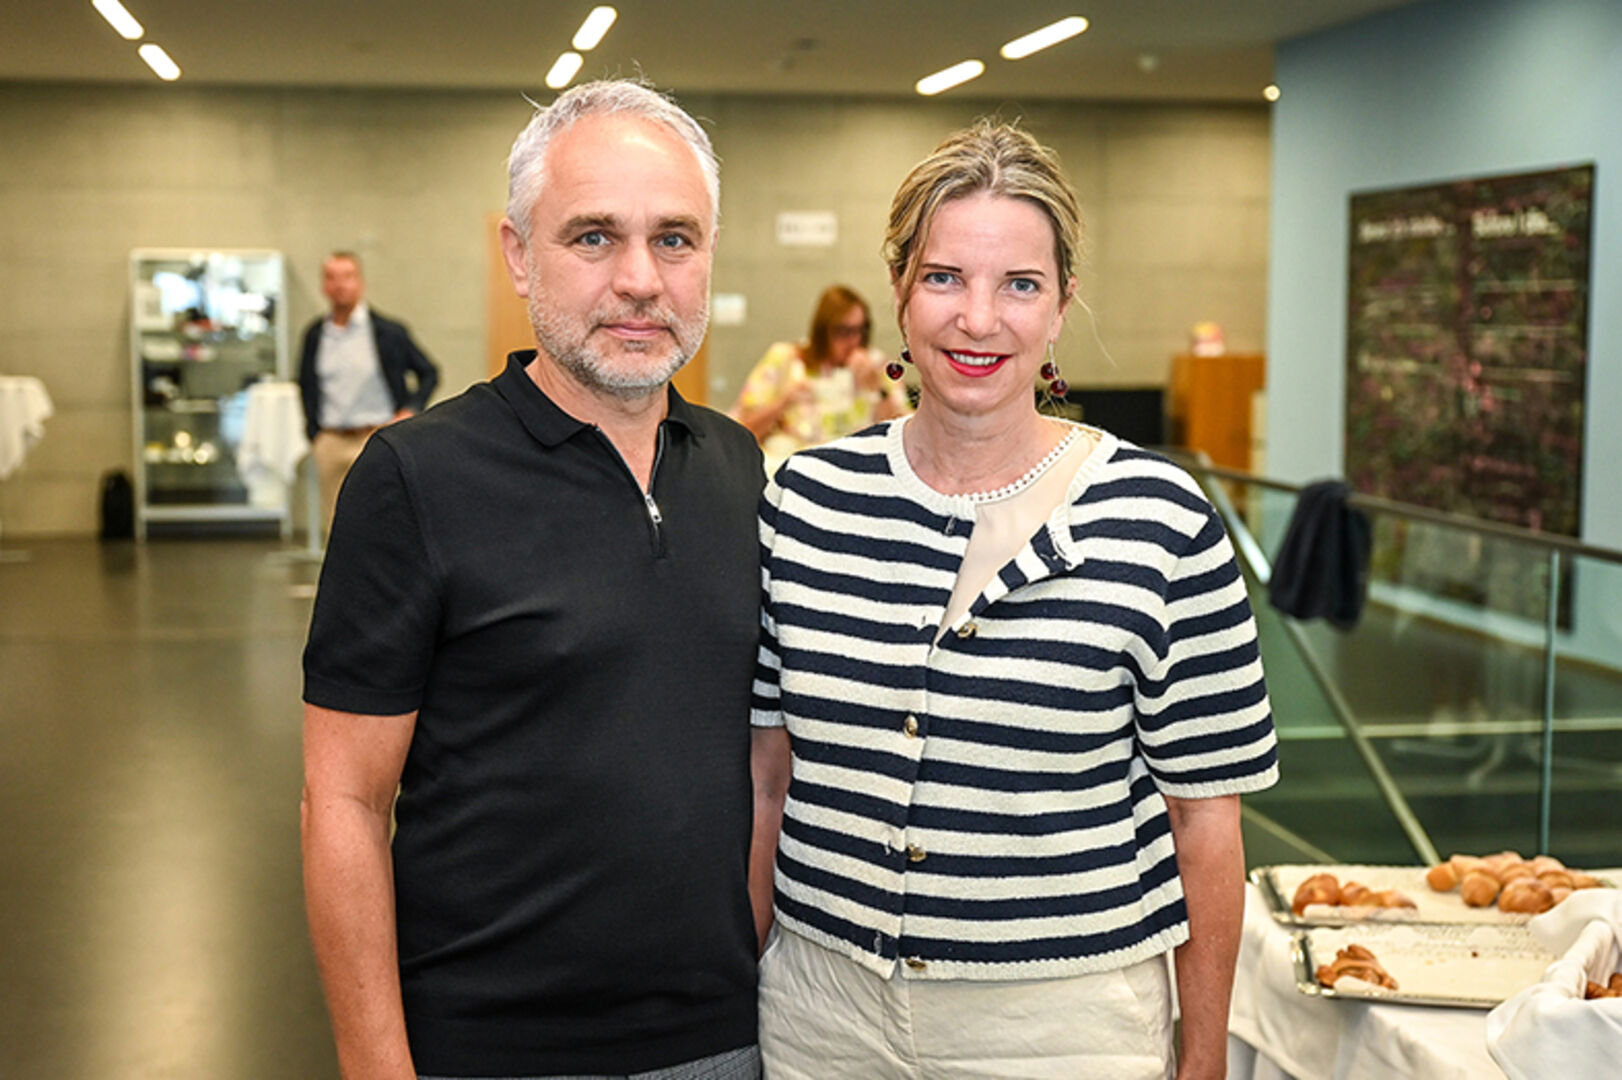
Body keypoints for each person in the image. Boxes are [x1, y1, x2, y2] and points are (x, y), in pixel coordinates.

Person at [749, 120, 1279, 1080]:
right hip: (819, 1017)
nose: (978, 319)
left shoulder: (1159, 519)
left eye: (1020, 285)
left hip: (1063, 1026)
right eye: (944, 277)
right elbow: (768, 781)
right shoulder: (806, 502)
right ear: (899, 290)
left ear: (1064, 303)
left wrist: (1203, 1059)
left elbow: (1204, 821)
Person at [300, 80, 766, 1080]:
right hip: (492, 1046)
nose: (640, 280)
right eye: (594, 237)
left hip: (722, 1043)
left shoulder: (737, 467)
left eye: (674, 239)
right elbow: (342, 802)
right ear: (518, 255)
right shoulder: (416, 477)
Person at [297, 251, 439, 537]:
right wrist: (315, 433)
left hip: (375, 436)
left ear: (360, 283)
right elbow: (305, 384)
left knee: (383, 522)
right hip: (331, 439)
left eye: (347, 277)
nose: (340, 285)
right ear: (324, 286)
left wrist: (409, 411)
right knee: (335, 529)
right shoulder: (315, 334)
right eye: (332, 278)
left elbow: (429, 373)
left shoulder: (388, 332)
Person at [729, 285, 909, 472]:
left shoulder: (877, 365)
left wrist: (877, 388)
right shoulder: (787, 360)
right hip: (794, 467)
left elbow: (905, 438)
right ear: (823, 331)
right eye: (844, 331)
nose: (854, 340)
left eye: (861, 330)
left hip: (856, 469)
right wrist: (784, 402)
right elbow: (741, 432)